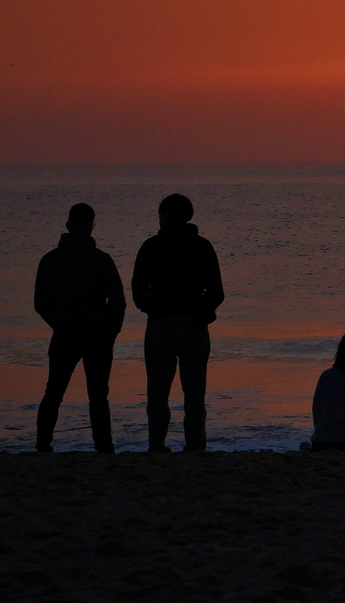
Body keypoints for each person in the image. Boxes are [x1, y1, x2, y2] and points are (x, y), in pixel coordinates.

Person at [132, 193, 224, 453]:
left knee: (157, 392)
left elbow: (138, 290)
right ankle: (195, 445)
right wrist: (202, 310)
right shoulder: (202, 246)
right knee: (195, 392)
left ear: (167, 216)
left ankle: (156, 444)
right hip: (193, 325)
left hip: (160, 325)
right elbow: (217, 292)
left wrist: (154, 309)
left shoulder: (151, 246)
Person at [34, 203, 127, 453]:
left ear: (68, 226)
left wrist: (60, 324)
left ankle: (43, 444)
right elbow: (118, 302)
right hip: (95, 335)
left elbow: (40, 303)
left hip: (66, 334)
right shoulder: (101, 260)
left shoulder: (50, 260)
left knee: (54, 392)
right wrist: (110, 332)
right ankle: (104, 445)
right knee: (97, 396)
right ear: (90, 226)